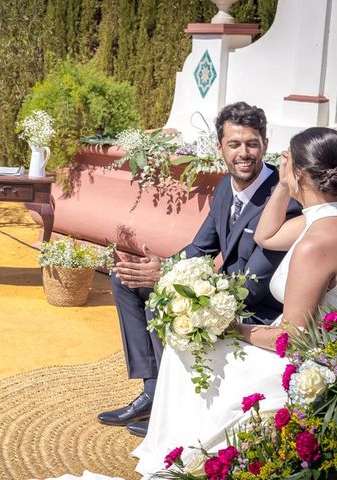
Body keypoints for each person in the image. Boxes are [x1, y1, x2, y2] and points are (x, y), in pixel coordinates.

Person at [132, 127, 337, 478]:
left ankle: (183, 453)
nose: (279, 162)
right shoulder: (317, 220)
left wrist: (231, 327)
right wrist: (285, 185)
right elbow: (265, 235)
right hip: (303, 341)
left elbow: (290, 340)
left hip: (304, 360)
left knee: (189, 352)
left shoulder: (313, 243)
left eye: (286, 157)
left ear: (302, 173)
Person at [97, 102, 301, 436]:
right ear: (220, 148)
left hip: (256, 310)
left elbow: (254, 286)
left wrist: (175, 281)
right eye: (234, 144)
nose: (244, 153)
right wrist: (162, 268)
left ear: (265, 143)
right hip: (220, 289)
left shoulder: (282, 201)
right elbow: (200, 248)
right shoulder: (225, 186)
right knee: (127, 282)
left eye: (252, 143)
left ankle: (170, 402)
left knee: (167, 295)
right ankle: (154, 389)